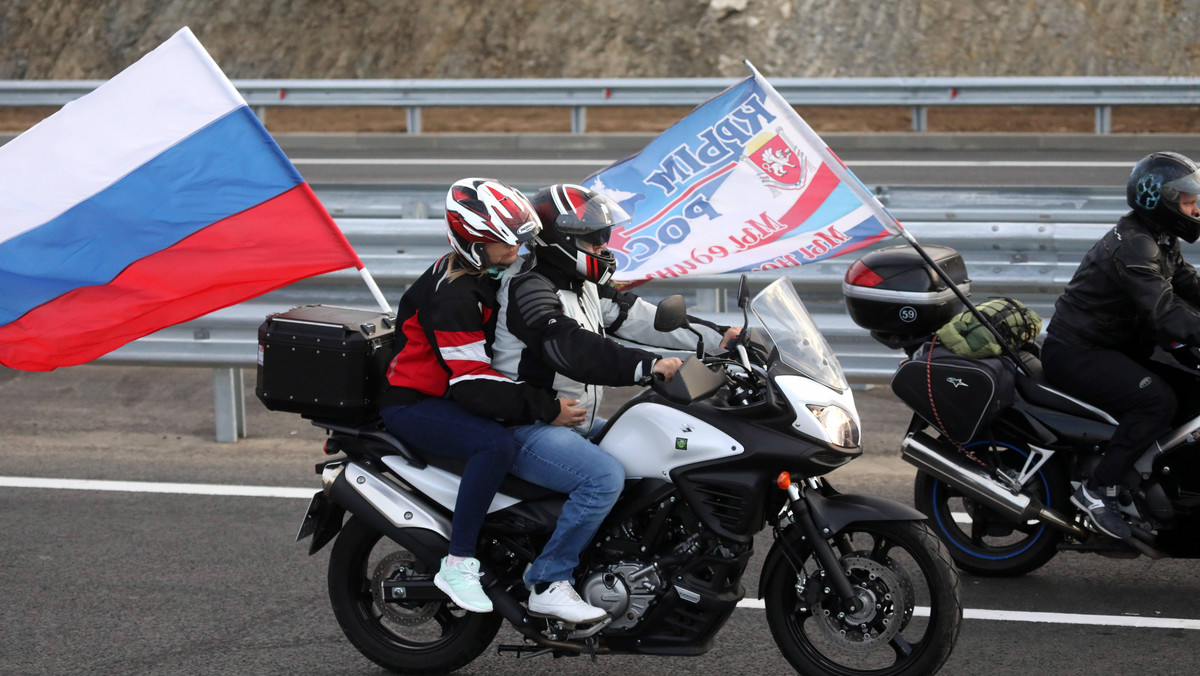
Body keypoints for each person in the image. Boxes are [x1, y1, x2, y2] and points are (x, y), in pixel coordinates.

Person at [492, 183, 737, 622]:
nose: (603, 246)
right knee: (603, 476)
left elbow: (644, 318)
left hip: (573, 422)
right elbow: (569, 347)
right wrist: (647, 367)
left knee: (660, 451)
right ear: (560, 240)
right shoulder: (529, 289)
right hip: (526, 426)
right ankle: (548, 580)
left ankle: (620, 558)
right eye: (592, 238)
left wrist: (721, 340)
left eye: (603, 236)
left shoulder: (582, 285)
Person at [377, 177, 584, 614]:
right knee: (495, 443)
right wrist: (545, 408)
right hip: (415, 402)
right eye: (502, 244)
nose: (515, 252)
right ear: (472, 243)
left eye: (517, 242)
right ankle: (458, 562)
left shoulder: (487, 272)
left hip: (448, 392)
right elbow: (471, 384)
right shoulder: (454, 295)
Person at [1042, 151, 1200, 541]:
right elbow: (1165, 312)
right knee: (1157, 402)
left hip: (1114, 345)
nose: (1196, 208)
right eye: (1187, 201)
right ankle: (1099, 489)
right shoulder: (1135, 247)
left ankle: (1159, 485)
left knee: (1193, 392)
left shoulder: (1159, 238)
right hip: (1078, 352)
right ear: (1157, 200)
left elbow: (1188, 284)